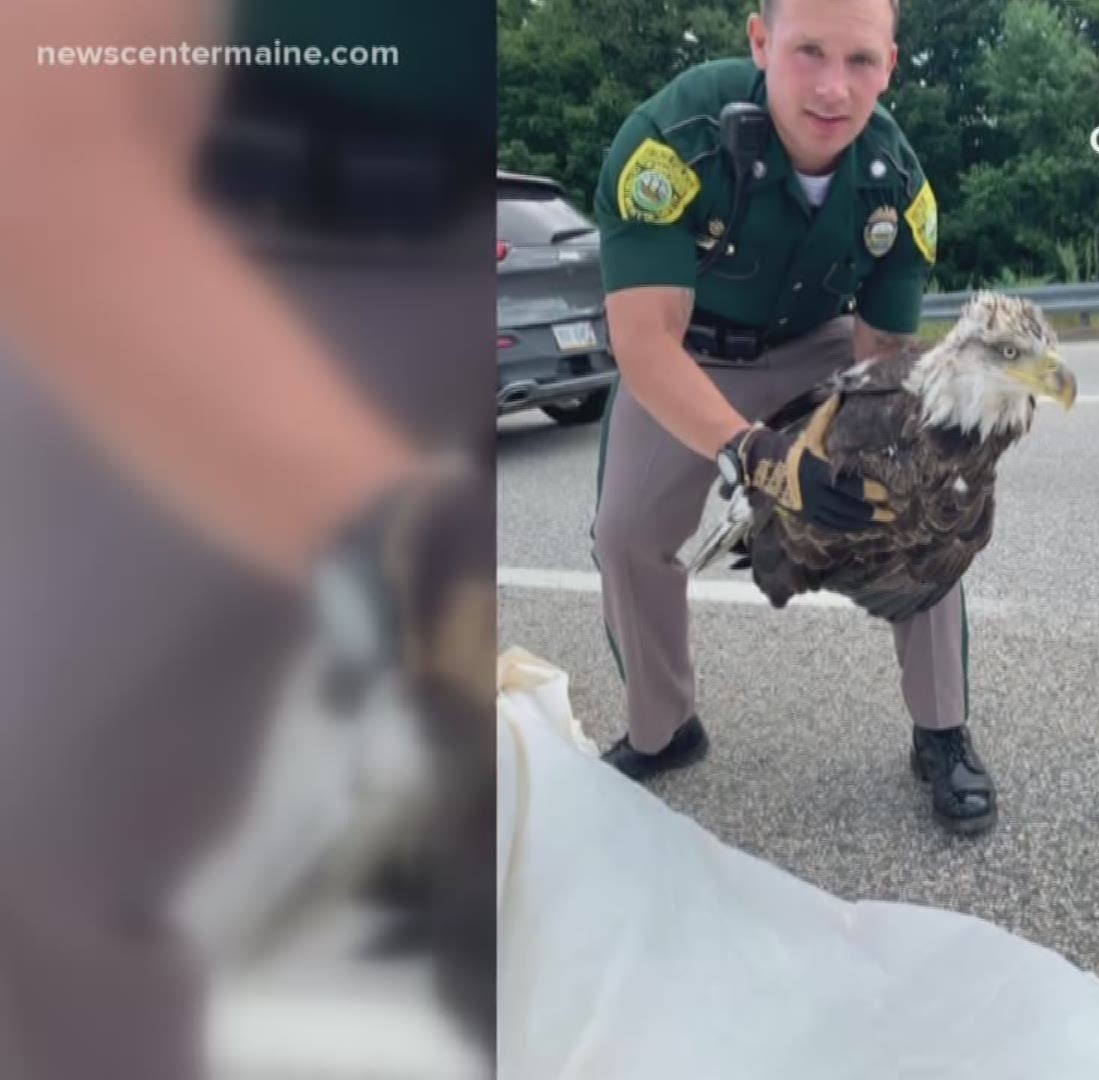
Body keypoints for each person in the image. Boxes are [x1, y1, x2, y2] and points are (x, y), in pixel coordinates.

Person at [0, 1, 496, 1074]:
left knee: (496, 825)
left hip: (466, 273)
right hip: (186, 258)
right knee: (65, 835)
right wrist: (389, 535)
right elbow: (49, 146)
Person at [591, 0, 997, 834]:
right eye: (808, 51)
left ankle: (940, 730)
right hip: (688, 347)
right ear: (760, 41)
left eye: (859, 61)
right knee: (627, 533)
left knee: (922, 505)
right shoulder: (670, 144)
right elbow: (644, 343)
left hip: (817, 345)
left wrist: (866, 461)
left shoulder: (900, 185)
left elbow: (885, 358)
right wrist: (757, 455)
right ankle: (663, 728)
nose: (832, 89)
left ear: (891, 64)